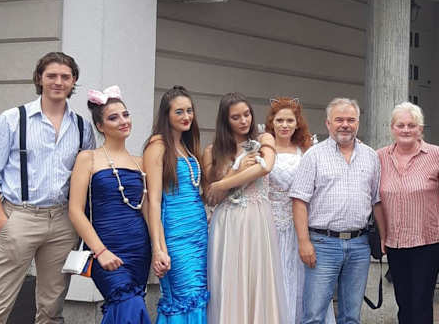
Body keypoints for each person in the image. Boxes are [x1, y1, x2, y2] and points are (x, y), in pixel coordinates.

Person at [0, 52, 95, 324]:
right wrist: (2, 221)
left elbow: (85, 179)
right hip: (20, 216)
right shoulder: (11, 120)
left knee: (52, 310)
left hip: (63, 221)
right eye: (51, 75)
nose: (58, 82)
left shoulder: (82, 127)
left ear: (73, 81)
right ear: (39, 78)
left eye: (65, 76)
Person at [290, 98, 387, 324]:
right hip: (323, 244)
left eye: (351, 120)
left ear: (358, 123)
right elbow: (299, 201)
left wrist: (383, 237)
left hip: (359, 245)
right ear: (328, 123)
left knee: (351, 316)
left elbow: (377, 201)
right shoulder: (313, 156)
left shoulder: (371, 156)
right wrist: (304, 242)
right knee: (314, 316)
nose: (345, 125)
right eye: (339, 120)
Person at [68, 86, 151, 323]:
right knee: (129, 304)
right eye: (114, 118)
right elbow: (75, 211)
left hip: (139, 249)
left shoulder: (141, 162)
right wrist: (100, 251)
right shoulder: (88, 158)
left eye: (125, 114)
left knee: (124, 309)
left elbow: (148, 209)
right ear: (100, 126)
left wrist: (158, 248)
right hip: (105, 248)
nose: (123, 121)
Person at [202, 92, 287, 324]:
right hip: (227, 221)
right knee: (230, 280)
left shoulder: (264, 139)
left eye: (247, 114)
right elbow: (211, 197)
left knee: (259, 278)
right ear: (225, 120)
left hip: (257, 218)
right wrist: (236, 172)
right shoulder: (212, 151)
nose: (244, 121)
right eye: (236, 117)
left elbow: (265, 167)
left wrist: (222, 183)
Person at [264, 96, 336, 324]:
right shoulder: (263, 150)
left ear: (297, 124)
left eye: (289, 120)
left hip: (301, 227)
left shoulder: (306, 150)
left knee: (302, 281)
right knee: (274, 279)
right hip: (270, 224)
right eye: (280, 120)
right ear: (272, 123)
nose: (284, 125)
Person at [377, 102, 439, 324]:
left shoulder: (436, 155)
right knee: (403, 302)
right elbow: (374, 198)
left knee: (421, 303)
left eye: (412, 125)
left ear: (420, 128)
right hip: (395, 242)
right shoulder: (380, 157)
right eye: (400, 125)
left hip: (427, 242)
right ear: (392, 128)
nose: (406, 130)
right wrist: (381, 235)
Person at [144, 86, 209, 323]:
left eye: (189, 111)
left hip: (199, 233)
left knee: (199, 295)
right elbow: (153, 202)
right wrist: (158, 248)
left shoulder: (188, 147)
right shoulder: (157, 146)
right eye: (179, 112)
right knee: (183, 296)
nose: (186, 116)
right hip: (175, 234)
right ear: (167, 115)